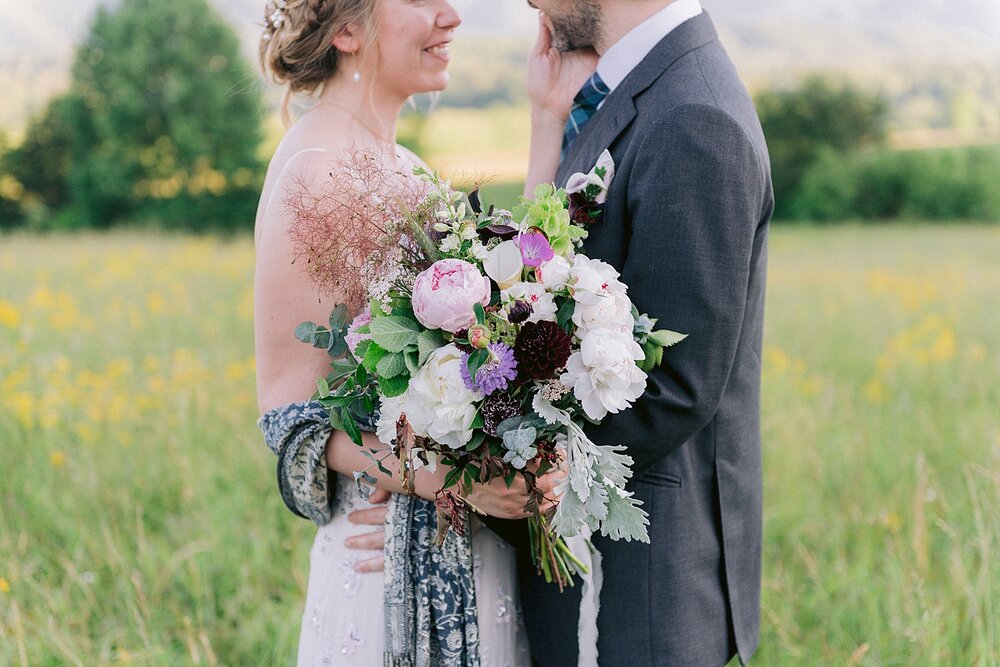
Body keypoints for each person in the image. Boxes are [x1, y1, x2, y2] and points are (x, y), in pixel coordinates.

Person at [252, 0, 561, 664]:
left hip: (467, 543)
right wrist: (438, 479)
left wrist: (546, 119)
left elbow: (510, 305)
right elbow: (289, 416)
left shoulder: (413, 172)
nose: (451, 15)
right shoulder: (315, 171)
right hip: (383, 568)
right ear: (346, 30)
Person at [503, 0, 774, 665]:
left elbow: (674, 389)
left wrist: (497, 464)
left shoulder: (692, 117)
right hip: (608, 580)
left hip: (645, 594)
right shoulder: (640, 92)